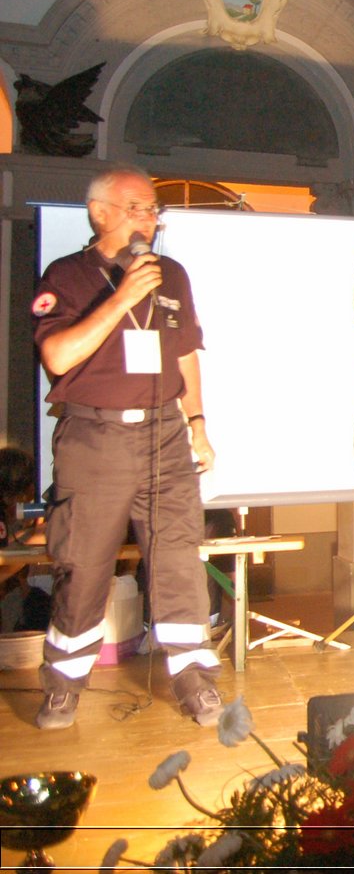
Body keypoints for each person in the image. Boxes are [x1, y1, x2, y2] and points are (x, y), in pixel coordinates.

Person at [30, 167, 223, 729]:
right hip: (96, 437)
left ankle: (193, 680)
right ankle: (65, 682)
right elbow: (59, 358)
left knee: (179, 559)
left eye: (154, 209)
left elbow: (186, 352)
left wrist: (199, 424)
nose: (152, 219)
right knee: (84, 563)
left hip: (165, 432)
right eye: (139, 208)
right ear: (100, 213)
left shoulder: (172, 276)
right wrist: (121, 298)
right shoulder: (65, 277)